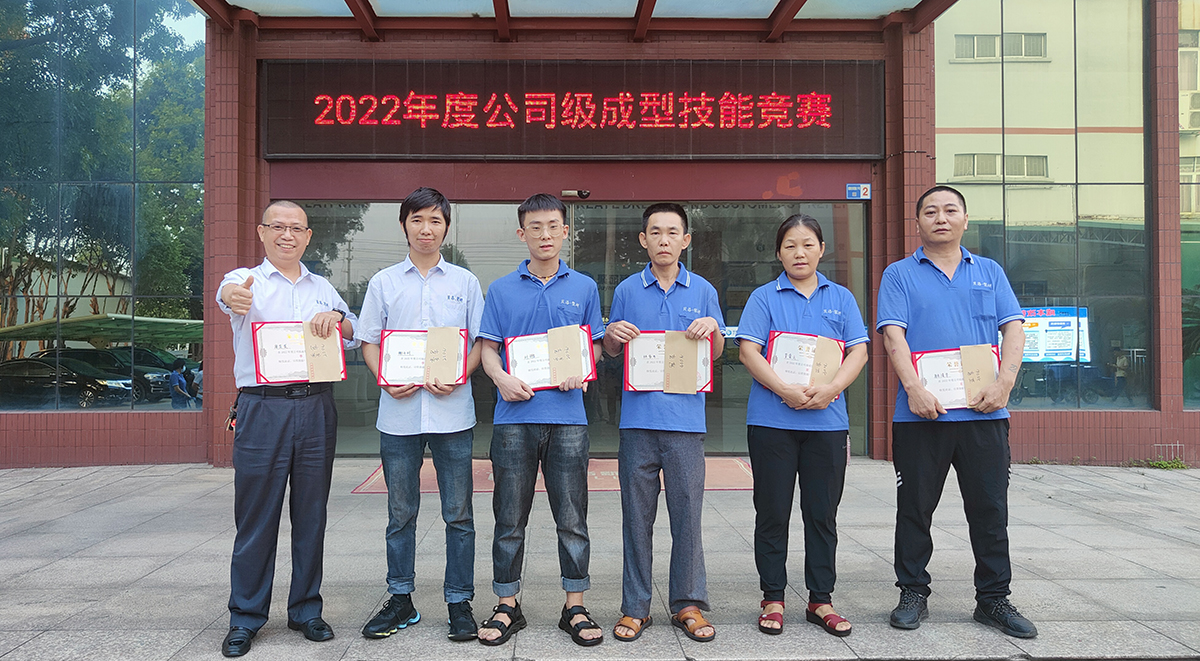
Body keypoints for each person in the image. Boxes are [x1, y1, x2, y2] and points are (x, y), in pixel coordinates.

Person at [877, 185, 1036, 639]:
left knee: (990, 509)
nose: (940, 218)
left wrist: (1005, 384)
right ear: (918, 222)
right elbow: (893, 335)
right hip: (921, 415)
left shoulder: (989, 271)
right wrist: (913, 389)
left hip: (984, 414)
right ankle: (912, 592)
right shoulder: (899, 274)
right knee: (914, 508)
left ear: (965, 219)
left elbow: (1014, 329)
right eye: (930, 211)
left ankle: (993, 599)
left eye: (950, 210)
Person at [216, 200, 359, 657]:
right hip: (263, 408)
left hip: (316, 406)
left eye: (296, 228)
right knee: (256, 517)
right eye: (277, 226)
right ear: (262, 232)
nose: (287, 235)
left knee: (311, 514)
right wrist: (233, 298)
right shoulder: (245, 280)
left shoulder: (322, 287)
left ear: (308, 236)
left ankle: (306, 610)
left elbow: (354, 330)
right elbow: (227, 296)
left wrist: (339, 320)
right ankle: (245, 617)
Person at [355, 187, 484, 642]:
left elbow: (480, 343)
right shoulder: (384, 282)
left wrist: (460, 374)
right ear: (404, 225)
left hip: (453, 415)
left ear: (446, 227)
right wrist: (384, 378)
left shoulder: (465, 283)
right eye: (417, 220)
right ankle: (401, 599)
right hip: (399, 415)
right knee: (400, 512)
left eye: (435, 220)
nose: (426, 229)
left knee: (459, 514)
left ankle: (459, 602)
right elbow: (369, 340)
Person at [476, 193, 605, 647]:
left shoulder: (584, 287)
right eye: (535, 227)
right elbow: (489, 349)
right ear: (522, 233)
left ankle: (575, 606)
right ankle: (507, 604)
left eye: (553, 226)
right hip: (513, 418)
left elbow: (594, 344)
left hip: (568, 418)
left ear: (565, 231)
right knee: (509, 517)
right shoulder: (500, 289)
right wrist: (501, 379)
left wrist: (583, 370)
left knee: (572, 517)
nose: (545, 235)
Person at [736, 215, 868, 637]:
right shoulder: (763, 297)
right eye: (790, 245)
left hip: (827, 423)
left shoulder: (841, 298)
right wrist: (784, 390)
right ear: (779, 253)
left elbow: (859, 352)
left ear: (821, 249)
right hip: (772, 422)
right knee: (772, 512)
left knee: (822, 514)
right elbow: (749, 351)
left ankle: (820, 599)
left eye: (808, 244)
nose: (799, 253)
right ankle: (772, 597)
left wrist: (831, 390)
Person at [603, 203, 724, 644]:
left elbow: (716, 354)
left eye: (673, 232)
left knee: (687, 517)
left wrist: (713, 329)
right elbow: (611, 353)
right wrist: (612, 336)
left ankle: (687, 603)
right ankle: (636, 607)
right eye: (655, 232)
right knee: (636, 518)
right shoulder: (627, 290)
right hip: (638, 421)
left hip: (686, 423)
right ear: (643, 240)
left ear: (685, 240)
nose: (664, 239)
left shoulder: (704, 290)